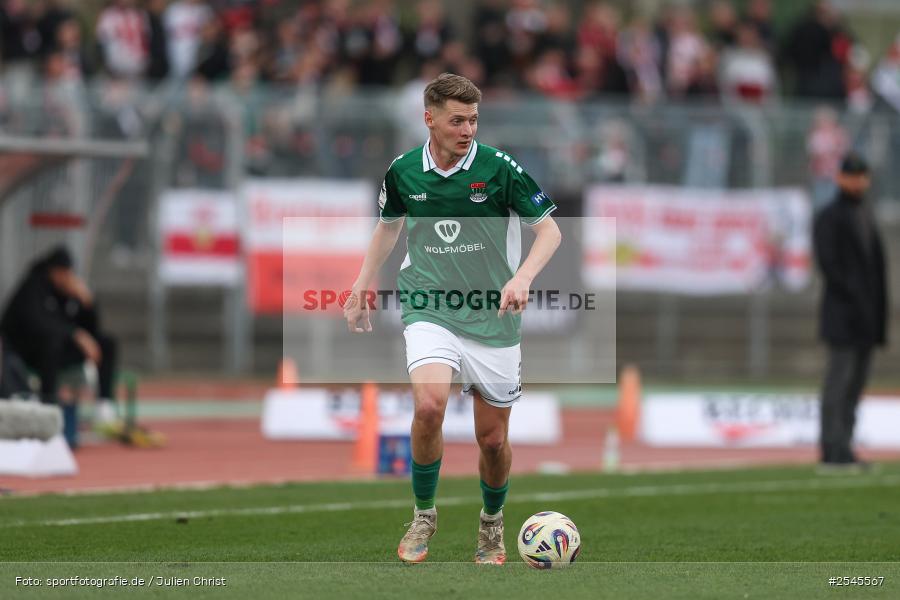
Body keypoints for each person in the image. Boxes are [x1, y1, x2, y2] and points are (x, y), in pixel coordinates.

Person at [344, 73, 561, 564]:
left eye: (474, 120)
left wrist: (522, 277)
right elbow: (388, 228)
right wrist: (362, 284)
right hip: (429, 304)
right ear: (429, 119)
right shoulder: (403, 172)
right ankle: (424, 514)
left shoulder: (499, 169)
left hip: (492, 315)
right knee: (428, 407)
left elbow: (550, 231)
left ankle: (491, 524)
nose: (468, 130)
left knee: (493, 439)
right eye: (457, 120)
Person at [812, 153, 888, 470]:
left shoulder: (865, 213)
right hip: (844, 316)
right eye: (853, 176)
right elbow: (830, 266)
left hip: (867, 319)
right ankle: (832, 449)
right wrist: (856, 299)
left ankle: (845, 445)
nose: (859, 182)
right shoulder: (829, 216)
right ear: (841, 178)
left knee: (855, 386)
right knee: (839, 383)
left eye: (862, 176)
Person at [0, 246, 119, 416]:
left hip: (59, 349)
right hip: (26, 352)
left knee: (106, 343)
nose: (68, 277)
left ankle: (104, 405)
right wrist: (75, 334)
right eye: (64, 272)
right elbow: (38, 325)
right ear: (54, 271)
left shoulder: (69, 293)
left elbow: (91, 329)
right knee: (52, 344)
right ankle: (48, 403)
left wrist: (88, 304)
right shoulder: (33, 286)